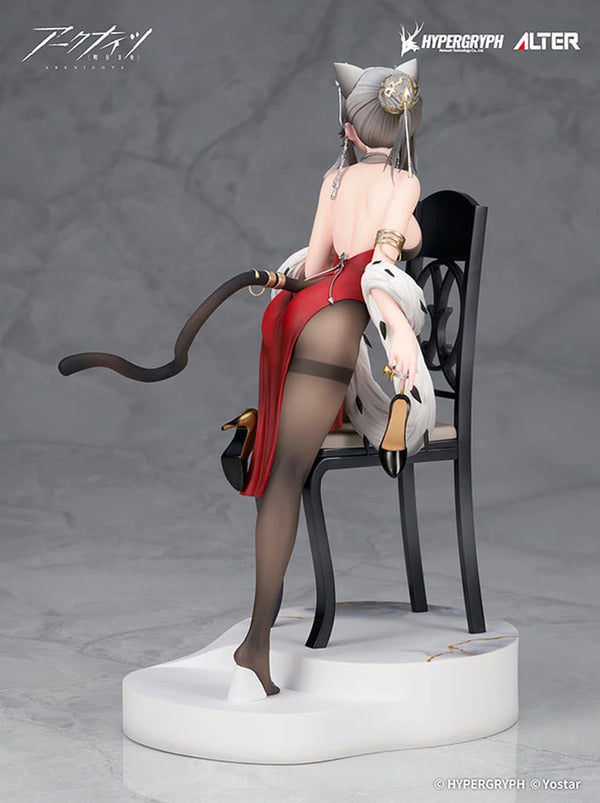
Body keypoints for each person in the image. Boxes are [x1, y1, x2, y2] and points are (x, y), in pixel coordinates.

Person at [223, 57, 430, 703]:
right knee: (288, 473)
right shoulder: (404, 181)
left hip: (303, 310)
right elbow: (384, 262)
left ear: (349, 128)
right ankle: (256, 643)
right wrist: (398, 328)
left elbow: (316, 262)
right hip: (340, 319)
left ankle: (262, 431)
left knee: (283, 469)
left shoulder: (334, 179)